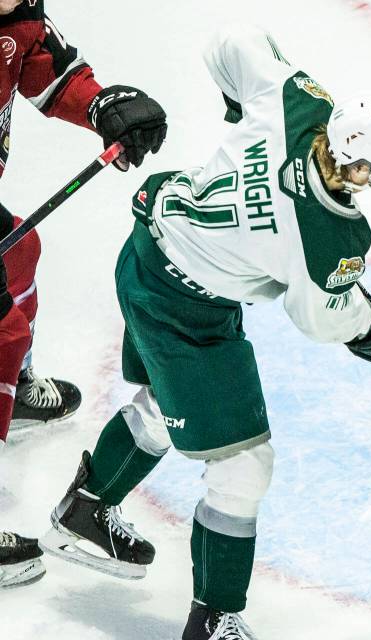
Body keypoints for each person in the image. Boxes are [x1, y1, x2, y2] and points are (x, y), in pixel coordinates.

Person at [39, 24, 371, 640]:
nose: (359, 180)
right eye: (365, 170)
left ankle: (85, 511)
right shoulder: (332, 235)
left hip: (150, 253)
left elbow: (231, 45)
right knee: (243, 464)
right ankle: (210, 633)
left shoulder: (298, 102)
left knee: (168, 401)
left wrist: (248, 107)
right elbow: (322, 317)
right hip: (184, 307)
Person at [0, 0, 166, 589]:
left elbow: (46, 69)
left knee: (18, 252)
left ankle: (9, 388)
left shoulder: (17, 16)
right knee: (0, 329)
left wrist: (103, 106)